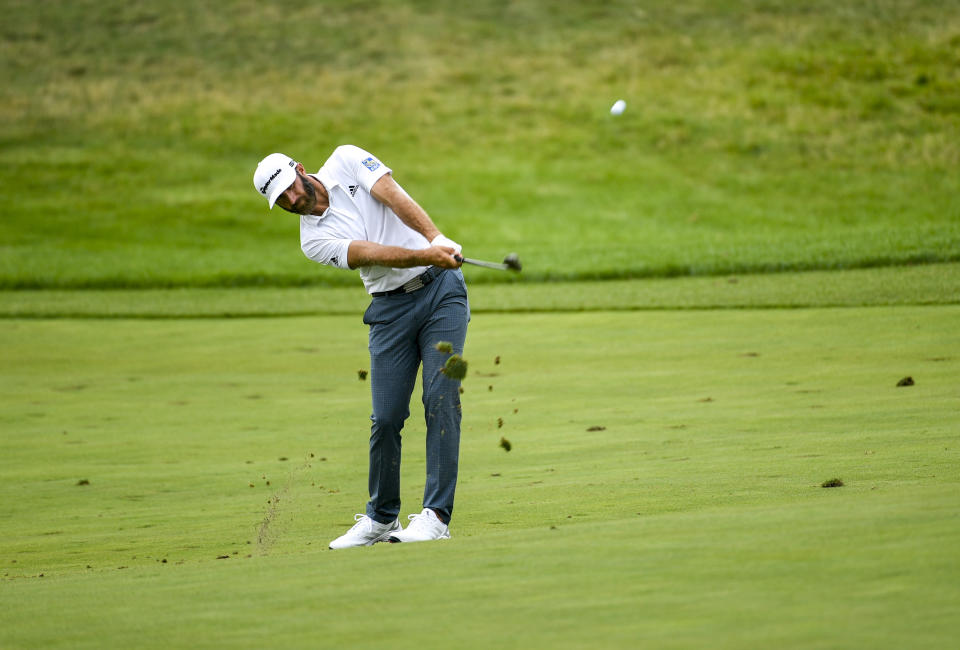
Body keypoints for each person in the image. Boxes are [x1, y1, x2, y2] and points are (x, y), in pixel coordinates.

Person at [253, 145, 469, 549]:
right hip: (389, 310)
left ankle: (436, 517)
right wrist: (427, 253)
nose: (292, 200)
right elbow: (371, 254)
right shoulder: (313, 241)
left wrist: (435, 238)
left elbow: (393, 195)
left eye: (290, 188)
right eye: (281, 200)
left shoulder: (347, 159)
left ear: (301, 169)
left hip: (442, 294)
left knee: (440, 398)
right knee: (386, 417)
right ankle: (381, 518)